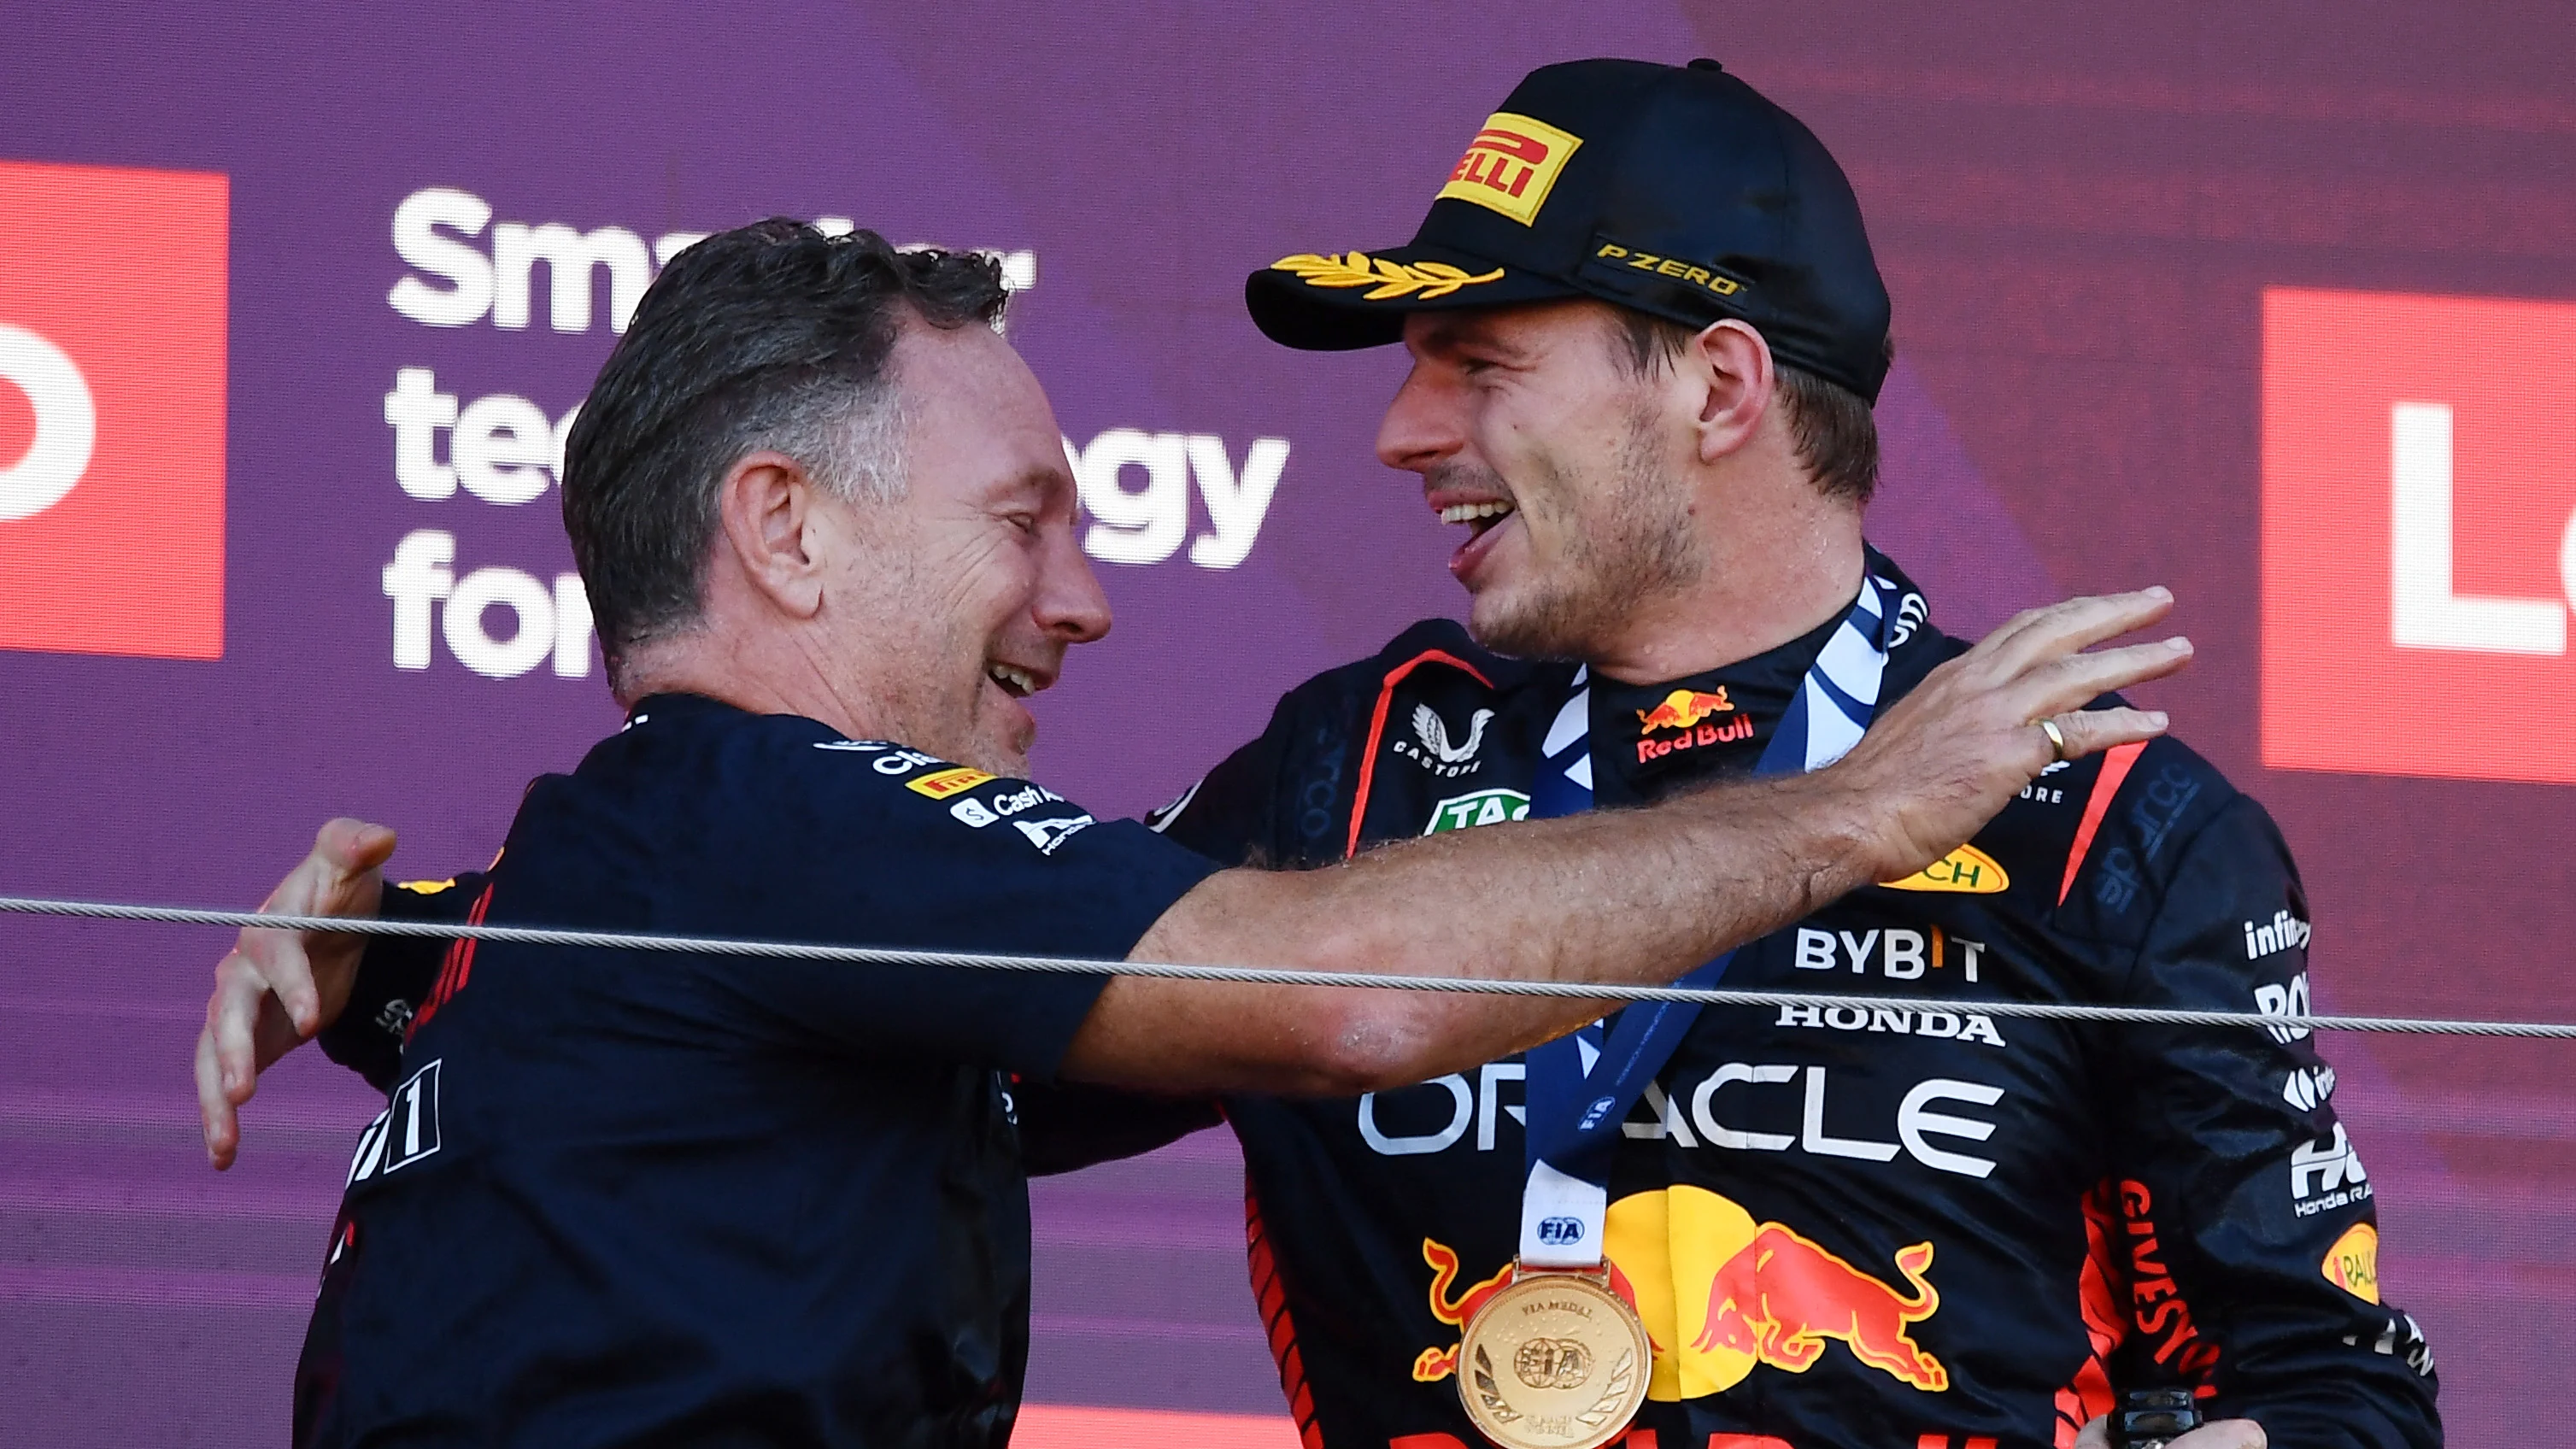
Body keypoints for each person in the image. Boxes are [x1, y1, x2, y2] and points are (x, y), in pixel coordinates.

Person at [207, 218, 2176, 1449]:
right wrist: (1869, 802)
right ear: (786, 529)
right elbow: (1338, 995)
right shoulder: (773, 810)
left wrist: (391, 953)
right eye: (1022, 518)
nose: (1084, 596)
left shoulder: (618, 874)